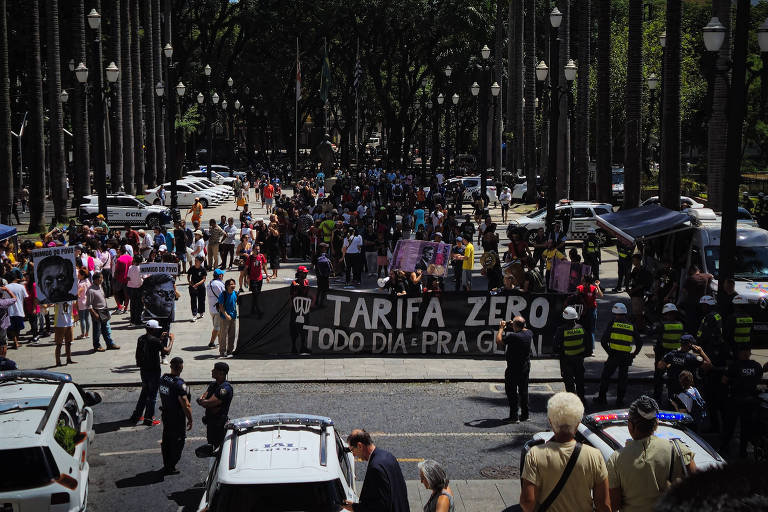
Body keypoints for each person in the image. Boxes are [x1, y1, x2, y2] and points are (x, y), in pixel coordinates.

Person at [520, 392, 610, 512]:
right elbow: (604, 505)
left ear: (551, 422)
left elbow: (527, 503)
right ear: (578, 424)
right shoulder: (594, 455)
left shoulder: (534, 454)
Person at [606, 396, 696, 512]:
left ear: (630, 426)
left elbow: (613, 505)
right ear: (656, 424)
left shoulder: (616, 459)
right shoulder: (678, 449)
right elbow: (697, 490)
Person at [342, 429, 409, 512]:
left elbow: (380, 506)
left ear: (360, 446)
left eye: (352, 450)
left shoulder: (375, 468)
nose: (354, 455)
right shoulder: (388, 456)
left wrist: (354, 508)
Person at [720, 347, 764, 457]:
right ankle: (743, 452)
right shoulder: (757, 366)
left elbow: (724, 380)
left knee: (730, 426)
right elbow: (759, 379)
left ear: (740, 353)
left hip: (736, 400)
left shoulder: (735, 365)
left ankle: (724, 447)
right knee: (746, 427)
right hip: (750, 401)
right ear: (749, 353)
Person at [595, 302, 641, 407]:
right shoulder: (631, 326)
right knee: (623, 379)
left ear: (615, 314)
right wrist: (634, 354)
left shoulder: (613, 324)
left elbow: (603, 341)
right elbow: (639, 342)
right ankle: (619, 401)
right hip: (625, 357)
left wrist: (609, 352)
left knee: (606, 377)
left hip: (614, 356)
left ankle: (602, 399)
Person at [131, 319, 174, 426]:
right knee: (152, 395)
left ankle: (137, 415)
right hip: (153, 370)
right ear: (153, 330)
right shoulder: (154, 340)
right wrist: (172, 340)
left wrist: (161, 339)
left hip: (144, 369)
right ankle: (149, 418)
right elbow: (166, 351)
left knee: (144, 392)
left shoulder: (141, 338)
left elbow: (149, 347)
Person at [495, 316, 532, 423]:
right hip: (525, 367)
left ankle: (513, 416)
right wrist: (514, 324)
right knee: (523, 391)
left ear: (516, 326)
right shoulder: (529, 333)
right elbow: (523, 329)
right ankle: (525, 415)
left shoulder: (513, 336)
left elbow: (499, 341)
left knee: (511, 392)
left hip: (513, 368)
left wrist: (501, 328)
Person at [159, 356, 191, 475]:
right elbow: (186, 404)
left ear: (171, 366)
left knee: (167, 440)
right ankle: (171, 465)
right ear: (181, 367)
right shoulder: (179, 384)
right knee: (178, 441)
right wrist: (190, 419)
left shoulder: (163, 378)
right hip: (176, 417)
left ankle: (167, 463)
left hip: (166, 414)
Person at [657, 334, 710, 402]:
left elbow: (660, 366)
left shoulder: (671, 354)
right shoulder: (693, 358)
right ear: (690, 345)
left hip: (673, 388)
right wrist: (701, 351)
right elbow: (709, 365)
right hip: (687, 391)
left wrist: (670, 365)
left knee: (672, 407)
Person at [553, 307, 591, 401]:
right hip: (579, 360)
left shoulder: (561, 330)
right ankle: (582, 400)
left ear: (564, 318)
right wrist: (583, 355)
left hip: (566, 361)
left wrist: (561, 352)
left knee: (569, 382)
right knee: (580, 382)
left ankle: (572, 401)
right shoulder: (581, 328)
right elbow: (588, 345)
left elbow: (555, 347)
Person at [197, 361, 233, 448]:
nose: (212, 371)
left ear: (221, 373)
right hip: (210, 423)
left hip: (219, 424)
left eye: (214, 370)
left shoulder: (225, 389)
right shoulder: (213, 384)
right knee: (211, 445)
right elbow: (203, 398)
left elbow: (208, 403)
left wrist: (204, 402)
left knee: (218, 447)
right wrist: (203, 401)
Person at [654, 303, 684, 401]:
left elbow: (653, 333)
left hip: (662, 354)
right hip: (675, 354)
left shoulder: (662, 325)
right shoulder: (680, 325)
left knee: (659, 375)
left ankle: (657, 397)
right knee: (674, 377)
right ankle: (673, 398)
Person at [86, 272, 120, 352]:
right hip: (97, 311)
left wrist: (107, 310)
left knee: (105, 329)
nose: (102, 280)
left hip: (104, 310)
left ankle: (109, 344)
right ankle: (97, 346)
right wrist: (94, 314)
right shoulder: (90, 290)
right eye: (101, 278)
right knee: (97, 330)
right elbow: (89, 305)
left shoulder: (100, 286)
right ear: (96, 279)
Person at [290, 266, 311, 354]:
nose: (306, 274)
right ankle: (294, 347)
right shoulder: (294, 283)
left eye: (306, 273)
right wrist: (297, 288)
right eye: (304, 273)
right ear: (299, 273)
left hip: (305, 309)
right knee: (294, 328)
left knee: (304, 328)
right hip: (296, 309)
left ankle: (303, 346)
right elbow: (292, 295)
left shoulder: (306, 281)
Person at [627, 254, 650, 331]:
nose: (633, 262)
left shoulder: (643, 271)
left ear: (639, 260)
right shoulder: (635, 270)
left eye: (634, 260)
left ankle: (640, 327)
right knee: (635, 311)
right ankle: (638, 326)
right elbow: (631, 279)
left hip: (639, 294)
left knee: (638, 312)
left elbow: (641, 285)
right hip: (634, 293)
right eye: (633, 260)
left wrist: (632, 291)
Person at [244, 243, 269, 316]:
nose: (257, 251)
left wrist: (267, 275)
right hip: (252, 279)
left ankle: (252, 310)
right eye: (256, 249)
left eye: (258, 249)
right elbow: (246, 268)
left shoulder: (261, 256)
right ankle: (259, 311)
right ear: (253, 250)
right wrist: (245, 278)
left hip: (260, 279)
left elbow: (264, 266)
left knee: (256, 295)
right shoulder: (250, 258)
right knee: (256, 295)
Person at [216, 279, 239, 358]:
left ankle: (230, 351)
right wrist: (226, 315)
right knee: (223, 335)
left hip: (233, 317)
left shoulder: (235, 293)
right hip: (224, 318)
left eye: (234, 284)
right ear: (227, 286)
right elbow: (221, 306)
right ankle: (222, 352)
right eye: (231, 284)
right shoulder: (223, 295)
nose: (233, 286)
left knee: (232, 335)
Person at [206, 268, 226, 349]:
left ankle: (220, 341)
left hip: (212, 308)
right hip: (218, 309)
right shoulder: (220, 284)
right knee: (217, 327)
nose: (223, 276)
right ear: (220, 275)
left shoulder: (209, 283)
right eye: (222, 274)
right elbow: (224, 295)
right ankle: (211, 343)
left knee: (217, 326)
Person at [53, 301, 75, 367]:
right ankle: (58, 361)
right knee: (59, 344)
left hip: (69, 322)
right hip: (60, 323)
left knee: (69, 343)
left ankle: (69, 359)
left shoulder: (71, 298)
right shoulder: (58, 298)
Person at [187, 255, 207, 321]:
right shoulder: (192, 268)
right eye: (195, 260)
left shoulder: (203, 269)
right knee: (193, 300)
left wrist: (197, 284)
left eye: (197, 261)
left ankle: (201, 312)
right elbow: (188, 275)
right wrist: (189, 281)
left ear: (200, 262)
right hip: (192, 286)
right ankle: (194, 314)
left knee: (201, 300)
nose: (195, 262)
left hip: (200, 286)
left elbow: (204, 279)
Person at [126, 255, 144, 326]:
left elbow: (128, 278)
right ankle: (138, 320)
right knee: (139, 305)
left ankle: (132, 320)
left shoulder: (130, 267)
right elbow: (144, 277)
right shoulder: (142, 268)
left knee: (133, 304)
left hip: (131, 288)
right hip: (139, 288)